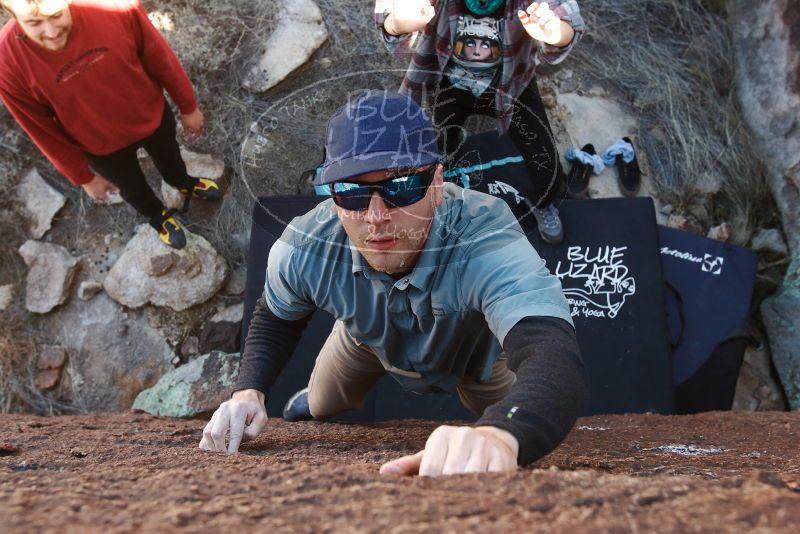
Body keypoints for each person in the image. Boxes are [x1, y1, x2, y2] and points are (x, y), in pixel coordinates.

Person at [199, 90, 588, 477]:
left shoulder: (483, 233)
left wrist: (504, 433)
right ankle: (316, 401)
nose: (376, 216)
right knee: (320, 404)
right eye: (351, 192)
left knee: (527, 423)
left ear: (436, 183)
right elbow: (275, 316)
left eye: (400, 185)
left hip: (475, 357)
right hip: (365, 339)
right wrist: (249, 391)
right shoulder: (305, 244)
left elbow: (550, 353)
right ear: (333, 198)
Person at [0, 0, 221, 249]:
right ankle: (157, 216)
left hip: (150, 114)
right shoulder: (7, 61)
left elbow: (158, 54)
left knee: (170, 156)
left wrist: (188, 105)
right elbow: (39, 128)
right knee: (132, 188)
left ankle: (183, 183)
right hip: (99, 145)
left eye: (57, 15)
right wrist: (83, 177)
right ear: (10, 14)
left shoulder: (115, 5)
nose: (51, 32)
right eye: (34, 23)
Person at [374, 0, 585, 244]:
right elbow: (390, 13)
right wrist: (397, 22)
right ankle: (442, 171)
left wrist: (555, 31)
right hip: (450, 85)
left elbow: (566, 17)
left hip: (511, 86)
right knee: (440, 143)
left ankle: (544, 203)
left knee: (544, 160)